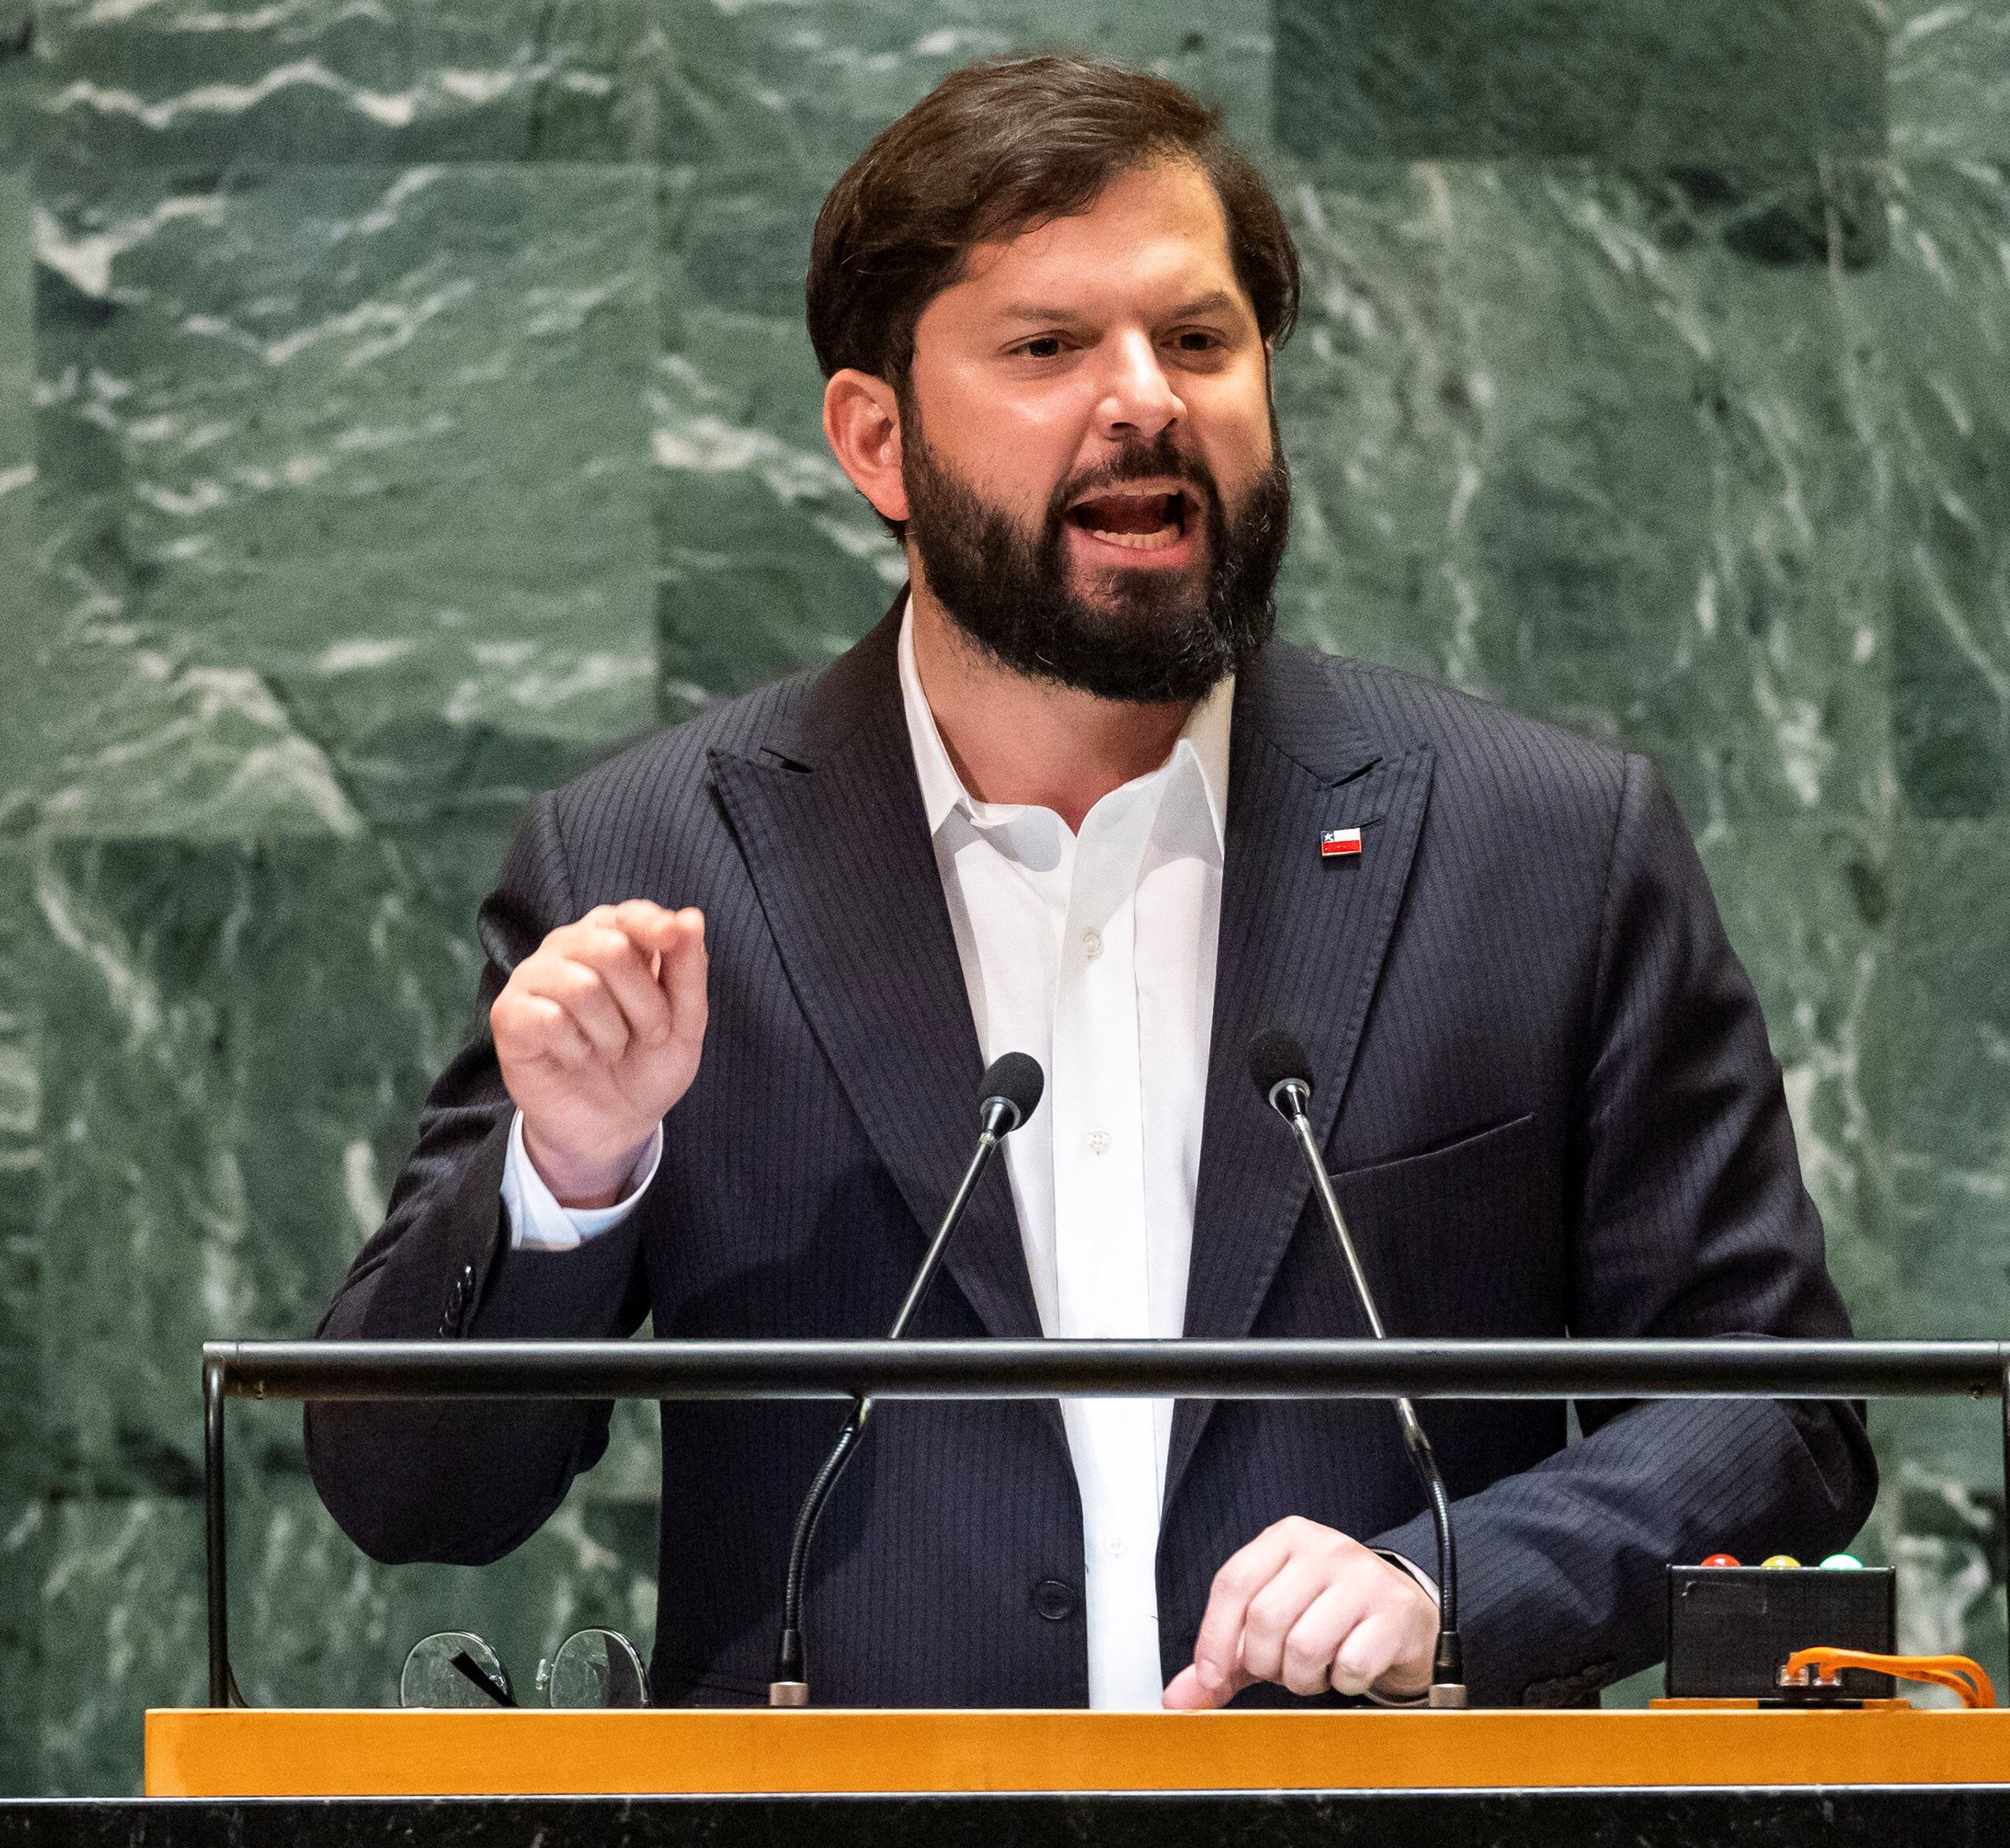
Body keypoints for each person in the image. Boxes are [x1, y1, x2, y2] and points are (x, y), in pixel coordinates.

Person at [307, 50, 1874, 1713]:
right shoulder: (652, 864)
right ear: (876, 439)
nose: (1147, 399)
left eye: (1199, 341)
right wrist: (570, 1166)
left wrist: (1447, 1583)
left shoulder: (1539, 847)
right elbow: (416, 1495)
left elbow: (1773, 1413)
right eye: (1048, 348)